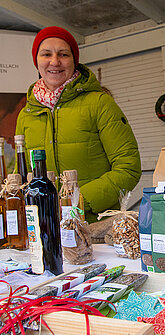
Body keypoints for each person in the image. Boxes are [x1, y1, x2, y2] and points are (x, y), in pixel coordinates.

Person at [16, 26, 141, 223]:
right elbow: (21, 174)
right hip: (44, 229)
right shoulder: (26, 114)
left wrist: (77, 201)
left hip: (95, 227)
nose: (54, 61)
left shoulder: (100, 104)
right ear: (36, 61)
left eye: (63, 54)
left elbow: (128, 167)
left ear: (74, 60)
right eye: (46, 54)